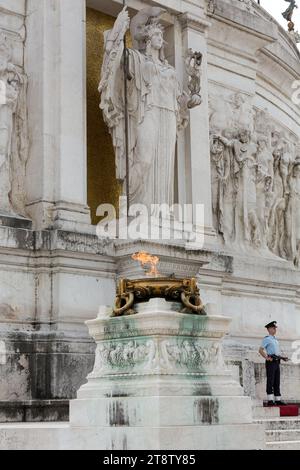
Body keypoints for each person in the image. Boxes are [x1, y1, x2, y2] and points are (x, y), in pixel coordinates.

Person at [259, 321, 289, 406]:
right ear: (269, 329)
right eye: (273, 328)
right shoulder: (267, 339)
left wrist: (283, 358)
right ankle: (270, 400)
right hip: (271, 362)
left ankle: (278, 399)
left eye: (275, 328)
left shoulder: (275, 340)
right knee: (270, 381)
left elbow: (277, 353)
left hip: (277, 362)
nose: (275, 329)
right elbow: (260, 350)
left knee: (277, 381)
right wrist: (266, 357)